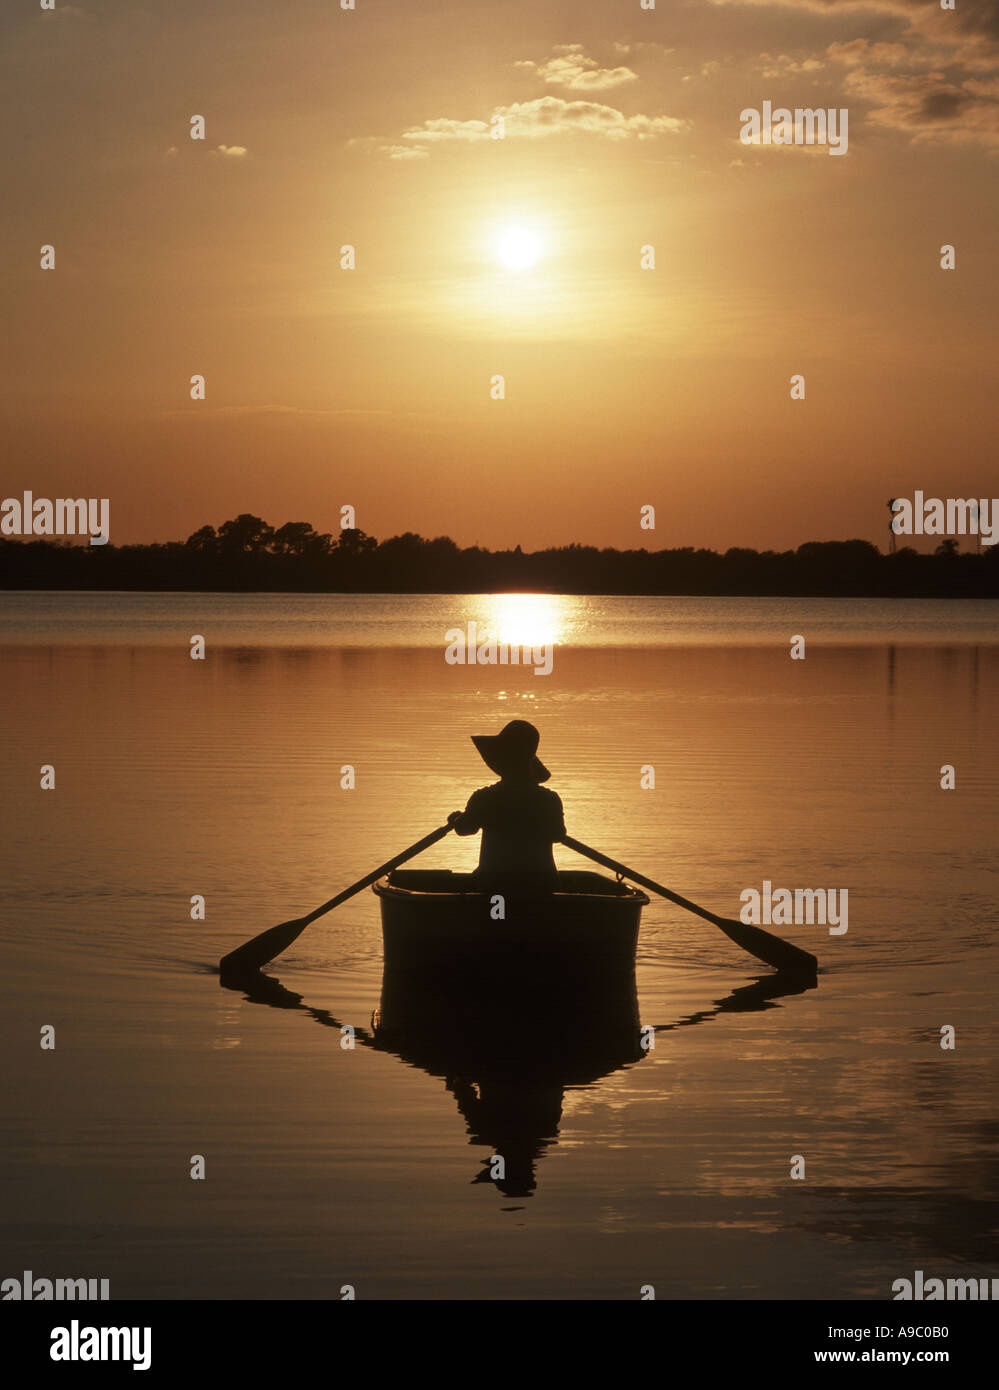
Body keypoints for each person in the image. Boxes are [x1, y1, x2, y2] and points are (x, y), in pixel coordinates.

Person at [448, 720, 565, 896]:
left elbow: (465, 828)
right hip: (541, 888)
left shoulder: (485, 798)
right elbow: (558, 835)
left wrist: (455, 820)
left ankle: (497, 919)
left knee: (498, 916)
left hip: (495, 889)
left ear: (501, 761)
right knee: (533, 918)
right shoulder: (549, 799)